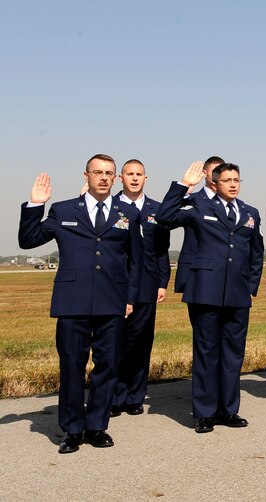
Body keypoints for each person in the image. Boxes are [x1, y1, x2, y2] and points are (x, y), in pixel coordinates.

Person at [18, 154, 144, 453]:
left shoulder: (127, 213)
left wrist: (130, 298)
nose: (103, 177)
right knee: (72, 366)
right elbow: (28, 240)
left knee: (107, 367)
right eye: (97, 172)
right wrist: (36, 205)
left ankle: (97, 426)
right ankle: (73, 429)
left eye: (109, 173)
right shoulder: (62, 210)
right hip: (72, 302)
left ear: (115, 178)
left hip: (112, 302)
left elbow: (136, 261)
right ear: (86, 175)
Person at [157, 161, 264, 433]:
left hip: (238, 294)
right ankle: (204, 413)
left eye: (236, 180)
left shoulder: (250, 213)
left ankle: (229, 410)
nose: (233, 184)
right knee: (207, 352)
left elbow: (256, 253)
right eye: (227, 180)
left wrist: (251, 286)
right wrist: (183, 186)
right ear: (215, 183)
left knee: (233, 354)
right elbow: (164, 217)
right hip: (205, 290)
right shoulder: (199, 207)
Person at [111, 159, 171, 417]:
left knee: (141, 342)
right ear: (120, 178)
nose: (135, 178)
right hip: (114, 284)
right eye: (130, 174)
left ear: (146, 179)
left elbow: (162, 249)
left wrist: (162, 282)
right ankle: (114, 396)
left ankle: (135, 396)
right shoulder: (110, 207)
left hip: (147, 283)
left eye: (139, 174)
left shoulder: (157, 210)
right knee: (114, 342)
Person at [174, 156, 224, 294]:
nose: (217, 175)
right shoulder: (191, 200)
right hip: (195, 271)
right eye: (214, 171)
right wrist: (183, 190)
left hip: (224, 272)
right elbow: (165, 218)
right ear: (204, 173)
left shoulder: (235, 205)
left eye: (221, 171)